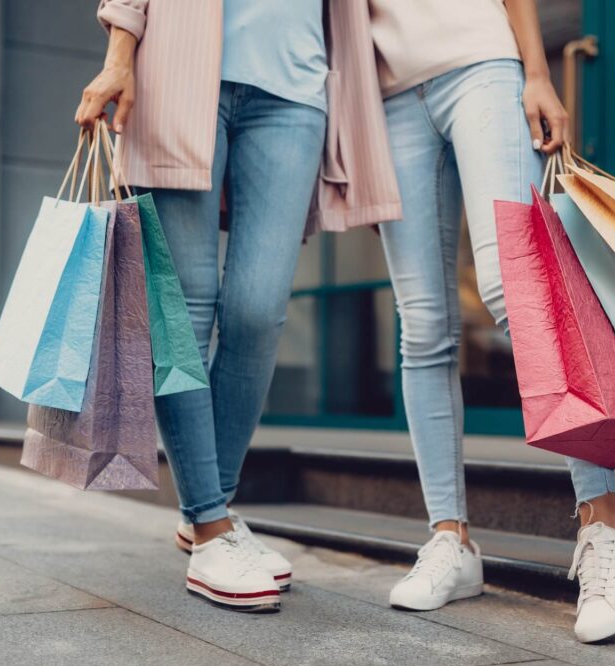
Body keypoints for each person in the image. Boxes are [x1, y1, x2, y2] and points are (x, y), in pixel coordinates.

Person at [76, 0, 401, 613]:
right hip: (178, 72)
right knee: (187, 308)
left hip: (297, 90)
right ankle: (210, 522)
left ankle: (209, 513)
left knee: (259, 310)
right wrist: (120, 54)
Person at [369, 0, 615, 642]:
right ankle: (451, 539)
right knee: (421, 324)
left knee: (515, 288)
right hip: (384, 100)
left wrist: (536, 70)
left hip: (482, 63)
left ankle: (608, 518)